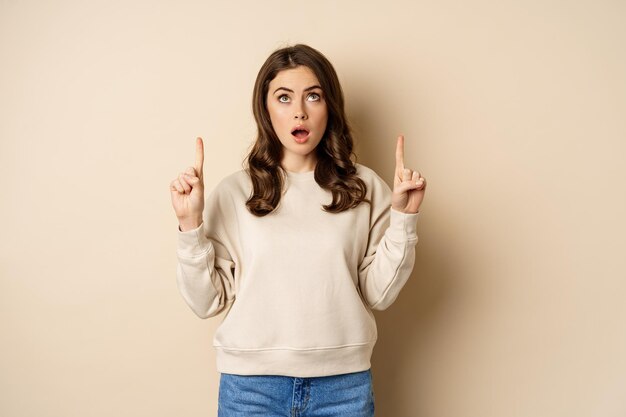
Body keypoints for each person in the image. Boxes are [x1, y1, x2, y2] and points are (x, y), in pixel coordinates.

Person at [169, 44, 427, 417]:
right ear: (266, 108)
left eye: (313, 96)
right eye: (284, 98)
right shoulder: (235, 192)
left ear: (329, 107)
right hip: (251, 390)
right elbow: (206, 301)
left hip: (343, 388)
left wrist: (403, 217)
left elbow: (379, 294)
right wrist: (190, 224)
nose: (300, 111)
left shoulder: (364, 187)